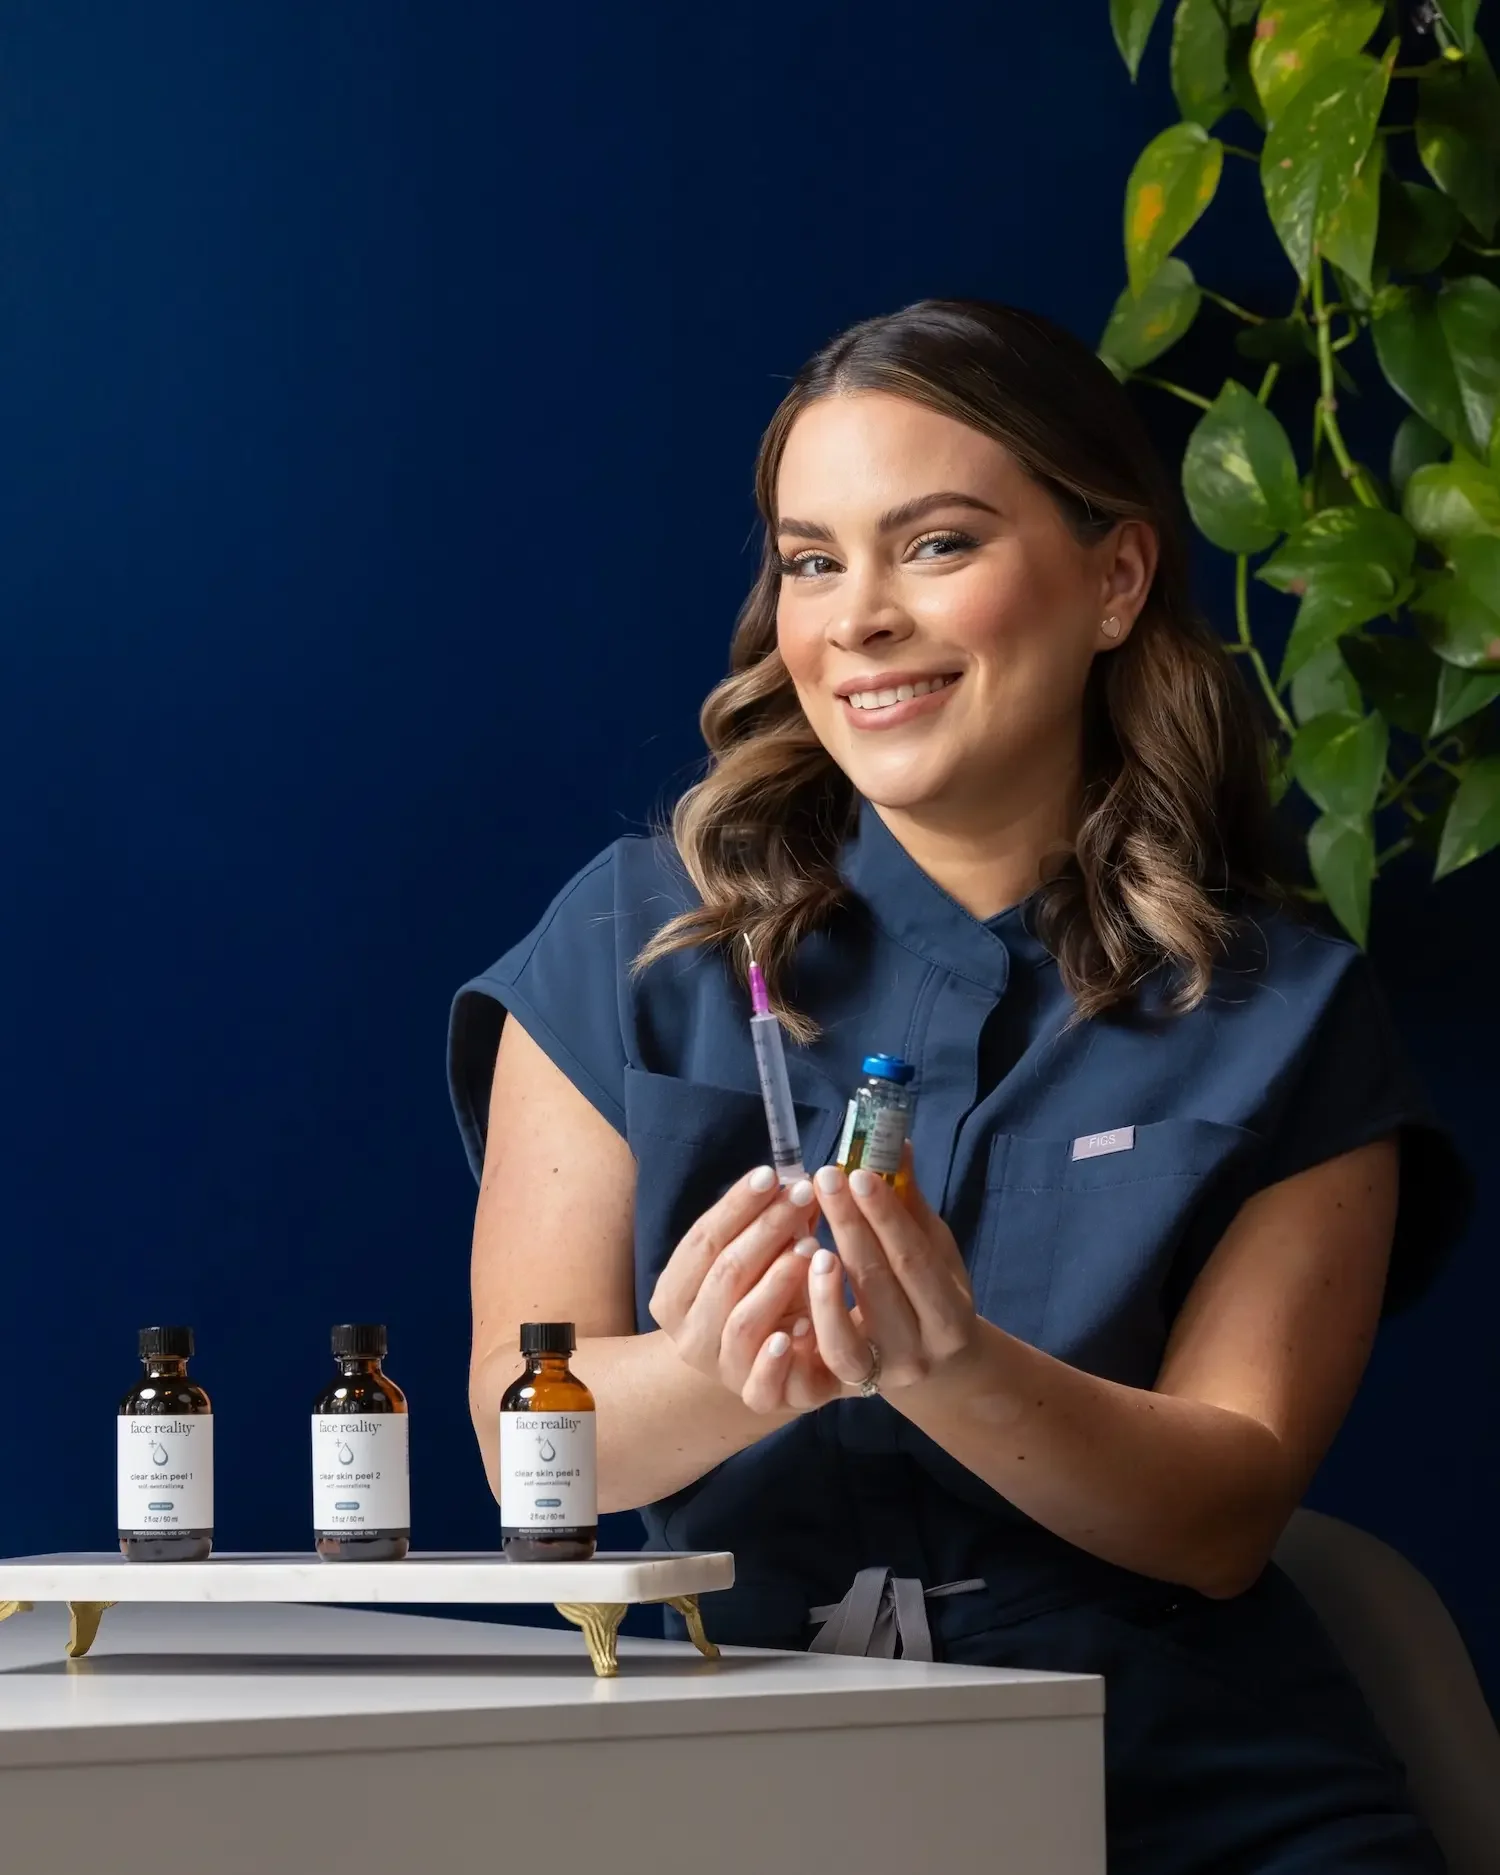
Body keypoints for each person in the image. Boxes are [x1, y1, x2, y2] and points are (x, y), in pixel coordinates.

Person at [447, 299, 1471, 1873]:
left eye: (934, 544)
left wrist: (947, 1364)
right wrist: (737, 1368)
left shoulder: (1291, 1009)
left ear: (1114, 578)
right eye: (811, 559)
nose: (856, 616)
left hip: (1190, 1804)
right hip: (742, 1798)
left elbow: (1223, 1511)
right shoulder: (626, 943)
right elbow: (528, 1454)